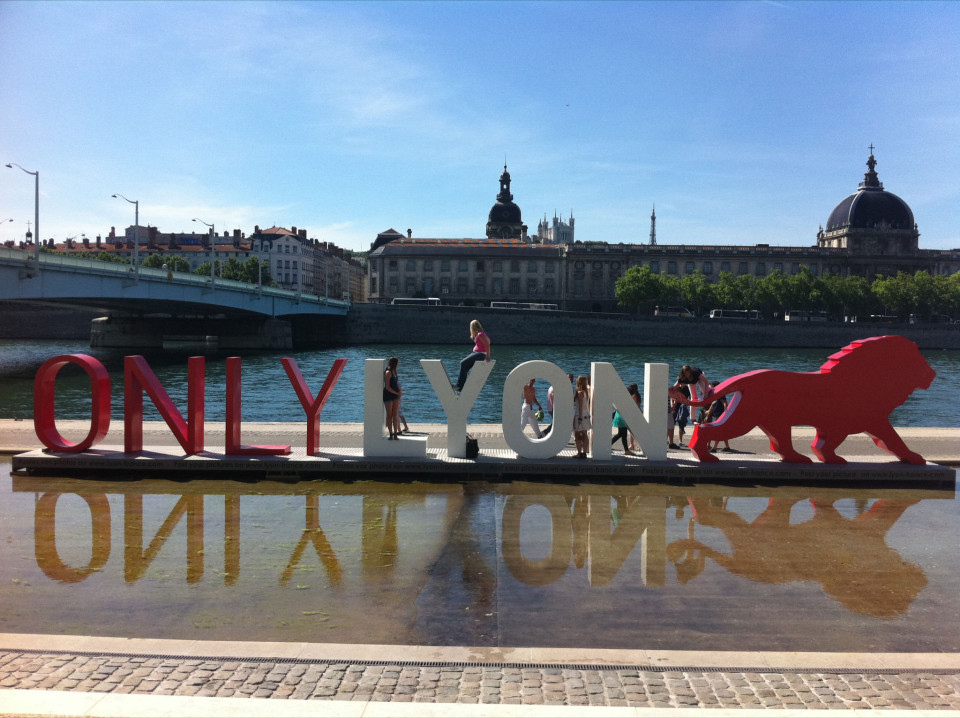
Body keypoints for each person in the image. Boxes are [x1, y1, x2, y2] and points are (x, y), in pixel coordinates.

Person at [455, 320, 491, 391]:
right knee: (465, 367)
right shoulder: (481, 334)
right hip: (477, 353)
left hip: (480, 354)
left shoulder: (480, 334)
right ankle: (460, 386)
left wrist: (487, 357)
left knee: (463, 363)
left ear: (473, 327)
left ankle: (459, 386)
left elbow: (487, 345)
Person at [701, 381, 732, 452]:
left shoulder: (721, 394)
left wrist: (725, 413)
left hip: (719, 415)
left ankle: (714, 448)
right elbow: (712, 405)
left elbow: (725, 404)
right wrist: (708, 415)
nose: (711, 388)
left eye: (712, 387)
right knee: (722, 431)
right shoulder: (714, 395)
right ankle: (727, 446)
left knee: (716, 431)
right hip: (716, 415)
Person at [612, 383, 639, 455]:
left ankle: (626, 450)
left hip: (619, 416)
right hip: (622, 418)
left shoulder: (623, 397)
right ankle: (626, 450)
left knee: (622, 434)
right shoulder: (629, 399)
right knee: (622, 434)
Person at [382, 356, 402, 440]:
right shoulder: (388, 372)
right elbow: (387, 387)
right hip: (388, 395)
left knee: (395, 415)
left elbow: (396, 383)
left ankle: (395, 434)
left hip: (396, 395)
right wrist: (396, 392)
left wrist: (400, 391)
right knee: (389, 415)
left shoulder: (395, 372)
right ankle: (391, 433)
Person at [573, 375, 591, 459]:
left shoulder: (580, 393)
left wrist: (579, 418)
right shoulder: (586, 392)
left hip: (580, 415)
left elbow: (579, 406)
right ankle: (584, 453)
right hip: (586, 414)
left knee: (577, 435)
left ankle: (579, 453)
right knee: (585, 434)